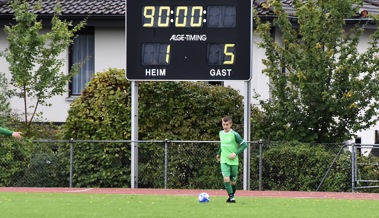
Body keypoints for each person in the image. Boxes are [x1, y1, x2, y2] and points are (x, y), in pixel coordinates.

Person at [216, 116, 247, 203]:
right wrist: (219, 154)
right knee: (226, 179)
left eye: (227, 124)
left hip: (233, 161)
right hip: (224, 160)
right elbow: (222, 145)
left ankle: (231, 196)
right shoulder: (221, 133)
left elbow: (245, 145)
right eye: (223, 124)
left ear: (231, 124)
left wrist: (235, 153)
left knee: (233, 181)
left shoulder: (235, 134)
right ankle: (232, 198)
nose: (225, 126)